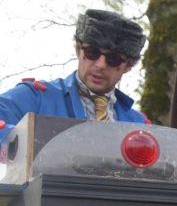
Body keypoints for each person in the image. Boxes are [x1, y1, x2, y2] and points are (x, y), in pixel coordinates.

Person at [0, 9, 148, 140]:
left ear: (128, 66)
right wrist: (25, 143)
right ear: (78, 50)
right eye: (92, 52)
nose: (100, 65)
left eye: (113, 59)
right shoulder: (35, 97)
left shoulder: (140, 124)